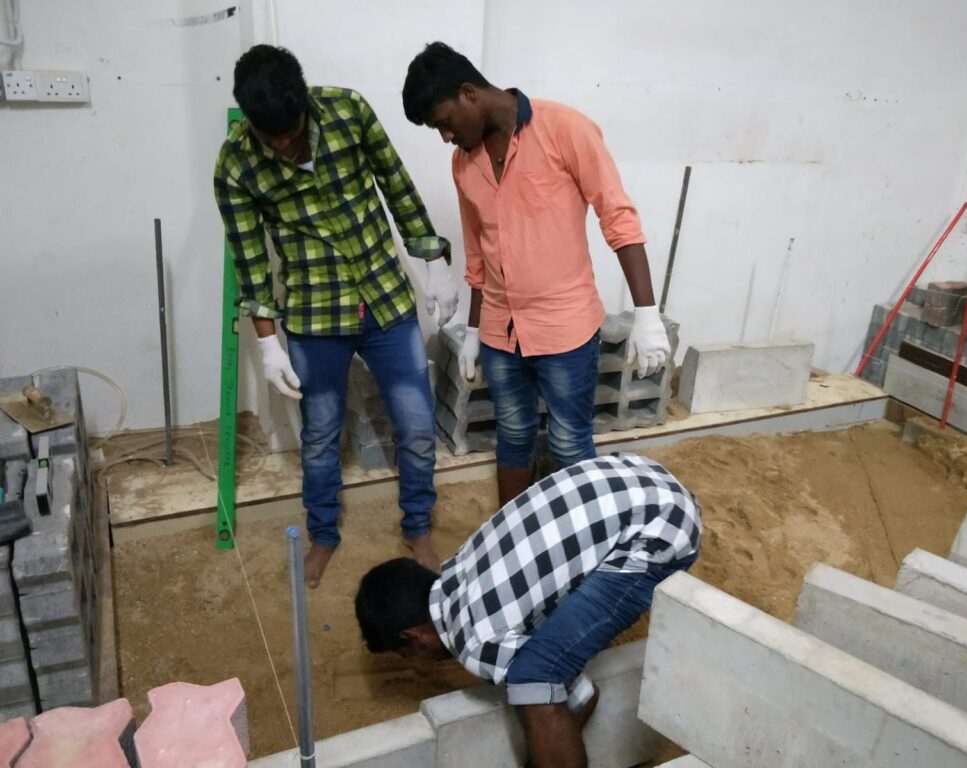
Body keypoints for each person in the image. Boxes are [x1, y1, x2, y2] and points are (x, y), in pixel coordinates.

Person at [214, 45, 458, 584]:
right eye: (270, 137)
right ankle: (323, 534)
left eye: (291, 132)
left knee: (417, 427)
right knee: (320, 436)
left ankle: (417, 527)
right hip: (313, 319)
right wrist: (267, 340)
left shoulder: (349, 112)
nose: (283, 145)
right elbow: (250, 257)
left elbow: (398, 188)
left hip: (386, 305)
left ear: (304, 102)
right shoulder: (236, 167)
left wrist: (434, 259)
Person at [402, 42, 673, 507]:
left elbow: (618, 217)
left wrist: (647, 313)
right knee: (512, 434)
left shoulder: (564, 128)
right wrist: (472, 328)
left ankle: (573, 543)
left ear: (469, 93)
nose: (445, 136)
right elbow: (479, 255)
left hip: (565, 327)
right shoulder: (464, 164)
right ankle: (514, 535)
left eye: (444, 121)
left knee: (569, 441)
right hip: (500, 332)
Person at [355, 452, 701, 768]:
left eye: (407, 655)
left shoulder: (476, 644)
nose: (419, 665)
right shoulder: (457, 567)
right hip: (642, 476)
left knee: (533, 677)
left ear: (415, 637)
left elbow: (578, 695)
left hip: (661, 533)